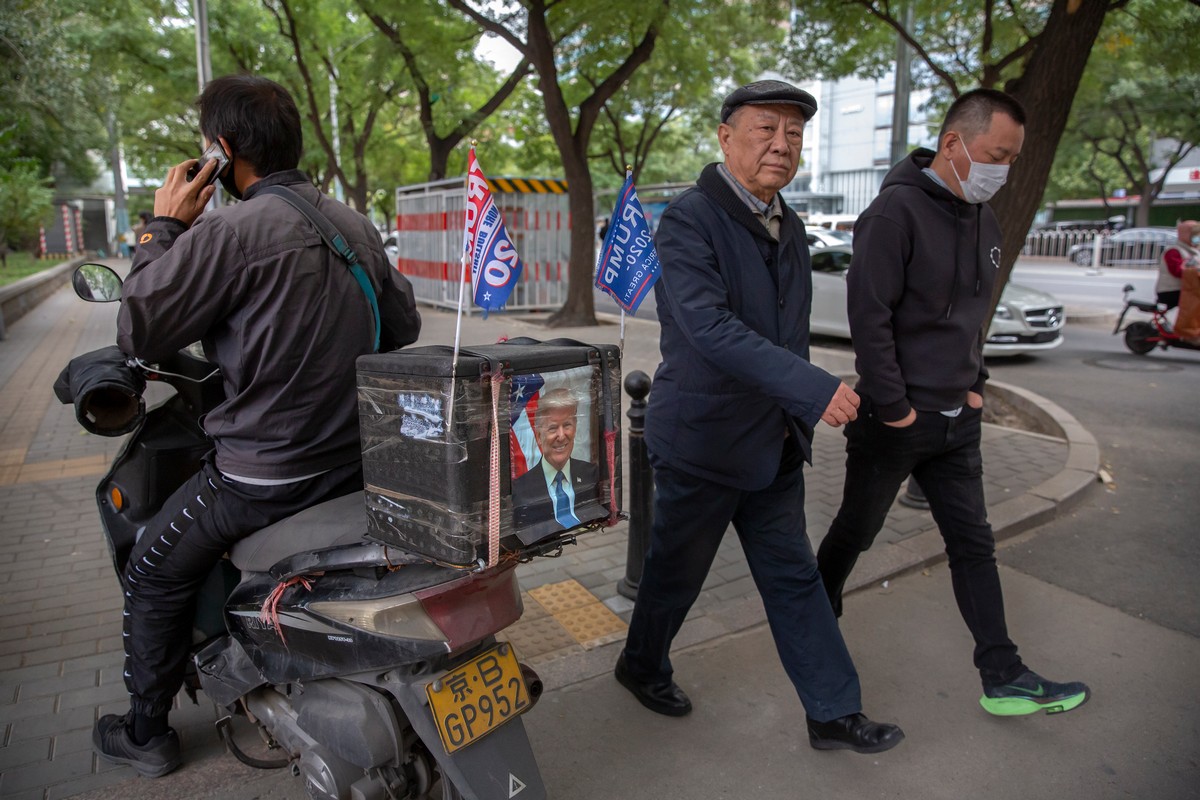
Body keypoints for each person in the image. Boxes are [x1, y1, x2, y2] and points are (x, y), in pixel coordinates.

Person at [92, 75, 421, 777]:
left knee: (152, 569)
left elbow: (141, 328)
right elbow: (403, 326)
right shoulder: (352, 223)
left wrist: (162, 230)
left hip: (263, 476)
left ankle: (146, 731)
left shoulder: (230, 231)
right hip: (351, 460)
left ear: (221, 149)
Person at [615, 79, 904, 755]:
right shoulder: (688, 219)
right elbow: (710, 329)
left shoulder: (790, 223)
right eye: (765, 130)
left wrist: (798, 406)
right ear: (725, 137)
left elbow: (789, 330)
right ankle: (641, 663)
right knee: (674, 576)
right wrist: (810, 388)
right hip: (704, 442)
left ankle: (833, 712)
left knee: (793, 577)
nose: (781, 145)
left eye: (794, 134)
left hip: (773, 444)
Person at [817, 88, 1090, 718]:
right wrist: (894, 409)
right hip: (896, 422)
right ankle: (814, 608)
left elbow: (974, 314)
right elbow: (871, 320)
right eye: (997, 154)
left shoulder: (985, 219)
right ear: (953, 144)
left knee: (974, 543)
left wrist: (976, 386)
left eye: (1014, 159)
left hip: (957, 421)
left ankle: (1004, 674)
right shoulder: (893, 215)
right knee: (858, 529)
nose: (1004, 169)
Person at [511, 387, 598, 529]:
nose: (562, 435)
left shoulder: (592, 474)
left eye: (567, 425)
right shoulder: (521, 490)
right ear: (539, 436)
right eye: (553, 428)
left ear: (575, 429)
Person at [1155, 219, 1200, 311]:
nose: (1198, 237)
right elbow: (1178, 271)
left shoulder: (1194, 251)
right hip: (1171, 291)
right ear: (1185, 235)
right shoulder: (1174, 251)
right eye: (1195, 235)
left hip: (1186, 289)